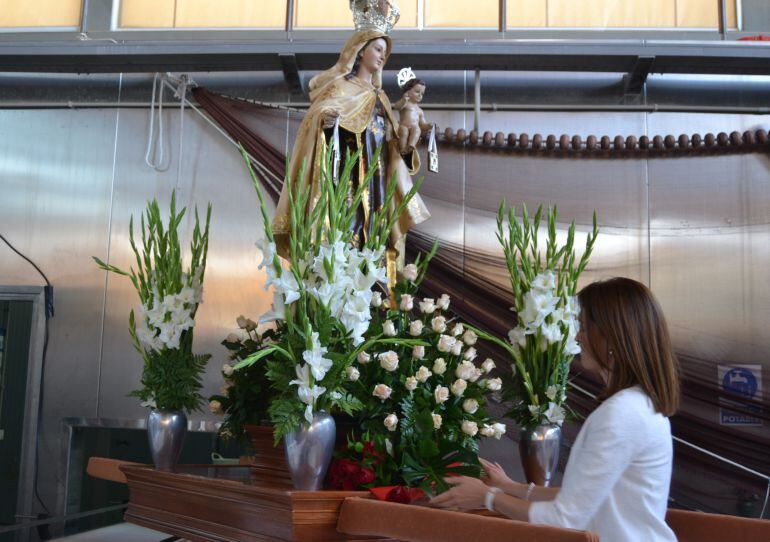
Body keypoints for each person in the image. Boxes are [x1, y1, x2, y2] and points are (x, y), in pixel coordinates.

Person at [431, 277, 681, 542]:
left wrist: (487, 497)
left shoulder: (621, 414)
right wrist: (510, 487)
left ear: (609, 335)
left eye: (584, 327)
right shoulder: (636, 405)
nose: (578, 337)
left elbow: (565, 519)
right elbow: (586, 496)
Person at [271, 29, 430, 268]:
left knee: (375, 236)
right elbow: (319, 118)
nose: (381, 57)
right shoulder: (340, 88)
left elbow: (393, 146)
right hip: (345, 176)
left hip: (376, 182)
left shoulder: (382, 98)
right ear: (360, 50)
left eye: (384, 53)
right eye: (377, 49)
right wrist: (328, 121)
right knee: (344, 229)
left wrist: (405, 147)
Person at [393, 75, 432, 153]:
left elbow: (422, 124)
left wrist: (428, 126)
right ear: (407, 91)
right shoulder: (405, 104)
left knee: (417, 130)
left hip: (414, 127)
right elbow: (397, 107)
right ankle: (402, 148)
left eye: (422, 94)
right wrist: (403, 100)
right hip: (404, 126)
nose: (420, 95)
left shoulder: (419, 110)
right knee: (403, 131)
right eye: (417, 92)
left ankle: (411, 145)